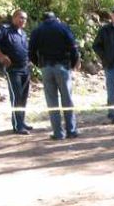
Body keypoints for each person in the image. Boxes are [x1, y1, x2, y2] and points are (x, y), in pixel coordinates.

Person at [28, 12, 81, 140]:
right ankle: (71, 130)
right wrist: (73, 64)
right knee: (67, 99)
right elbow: (73, 47)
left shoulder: (37, 30)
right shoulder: (63, 27)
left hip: (46, 67)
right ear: (55, 18)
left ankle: (58, 132)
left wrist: (39, 64)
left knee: (52, 101)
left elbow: (30, 51)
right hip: (62, 67)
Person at [0, 9, 33, 135]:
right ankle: (17, 126)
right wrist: (1, 56)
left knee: (23, 97)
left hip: (25, 69)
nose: (23, 21)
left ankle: (21, 121)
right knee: (16, 96)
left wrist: (29, 61)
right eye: (21, 18)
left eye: (25, 19)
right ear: (14, 18)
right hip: (13, 70)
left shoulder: (22, 33)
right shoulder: (5, 29)